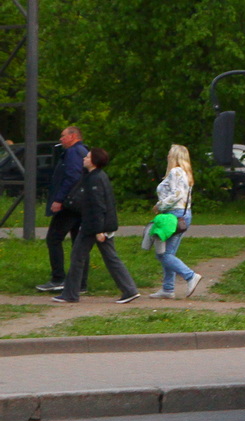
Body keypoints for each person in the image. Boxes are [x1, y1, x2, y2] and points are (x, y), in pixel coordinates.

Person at [52, 147, 141, 304]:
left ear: (94, 161)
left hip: (93, 226)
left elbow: (98, 206)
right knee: (107, 257)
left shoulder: (94, 179)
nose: (84, 159)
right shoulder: (97, 176)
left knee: (79, 257)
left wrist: (99, 230)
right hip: (95, 225)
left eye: (87, 157)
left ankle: (71, 294)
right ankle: (129, 290)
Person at [35, 126, 89, 294]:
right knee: (78, 243)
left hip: (69, 205)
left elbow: (72, 176)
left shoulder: (73, 152)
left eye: (63, 136)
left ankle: (58, 278)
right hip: (81, 204)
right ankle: (80, 283)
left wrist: (59, 199)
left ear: (73, 136)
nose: (60, 139)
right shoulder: (83, 151)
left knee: (53, 238)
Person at [149, 144, 203, 300]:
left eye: (169, 153)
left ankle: (190, 276)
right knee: (169, 253)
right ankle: (168, 288)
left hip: (173, 215)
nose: (167, 156)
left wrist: (160, 205)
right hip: (181, 214)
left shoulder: (176, 171)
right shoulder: (185, 173)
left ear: (175, 157)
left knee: (163, 254)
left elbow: (176, 195)